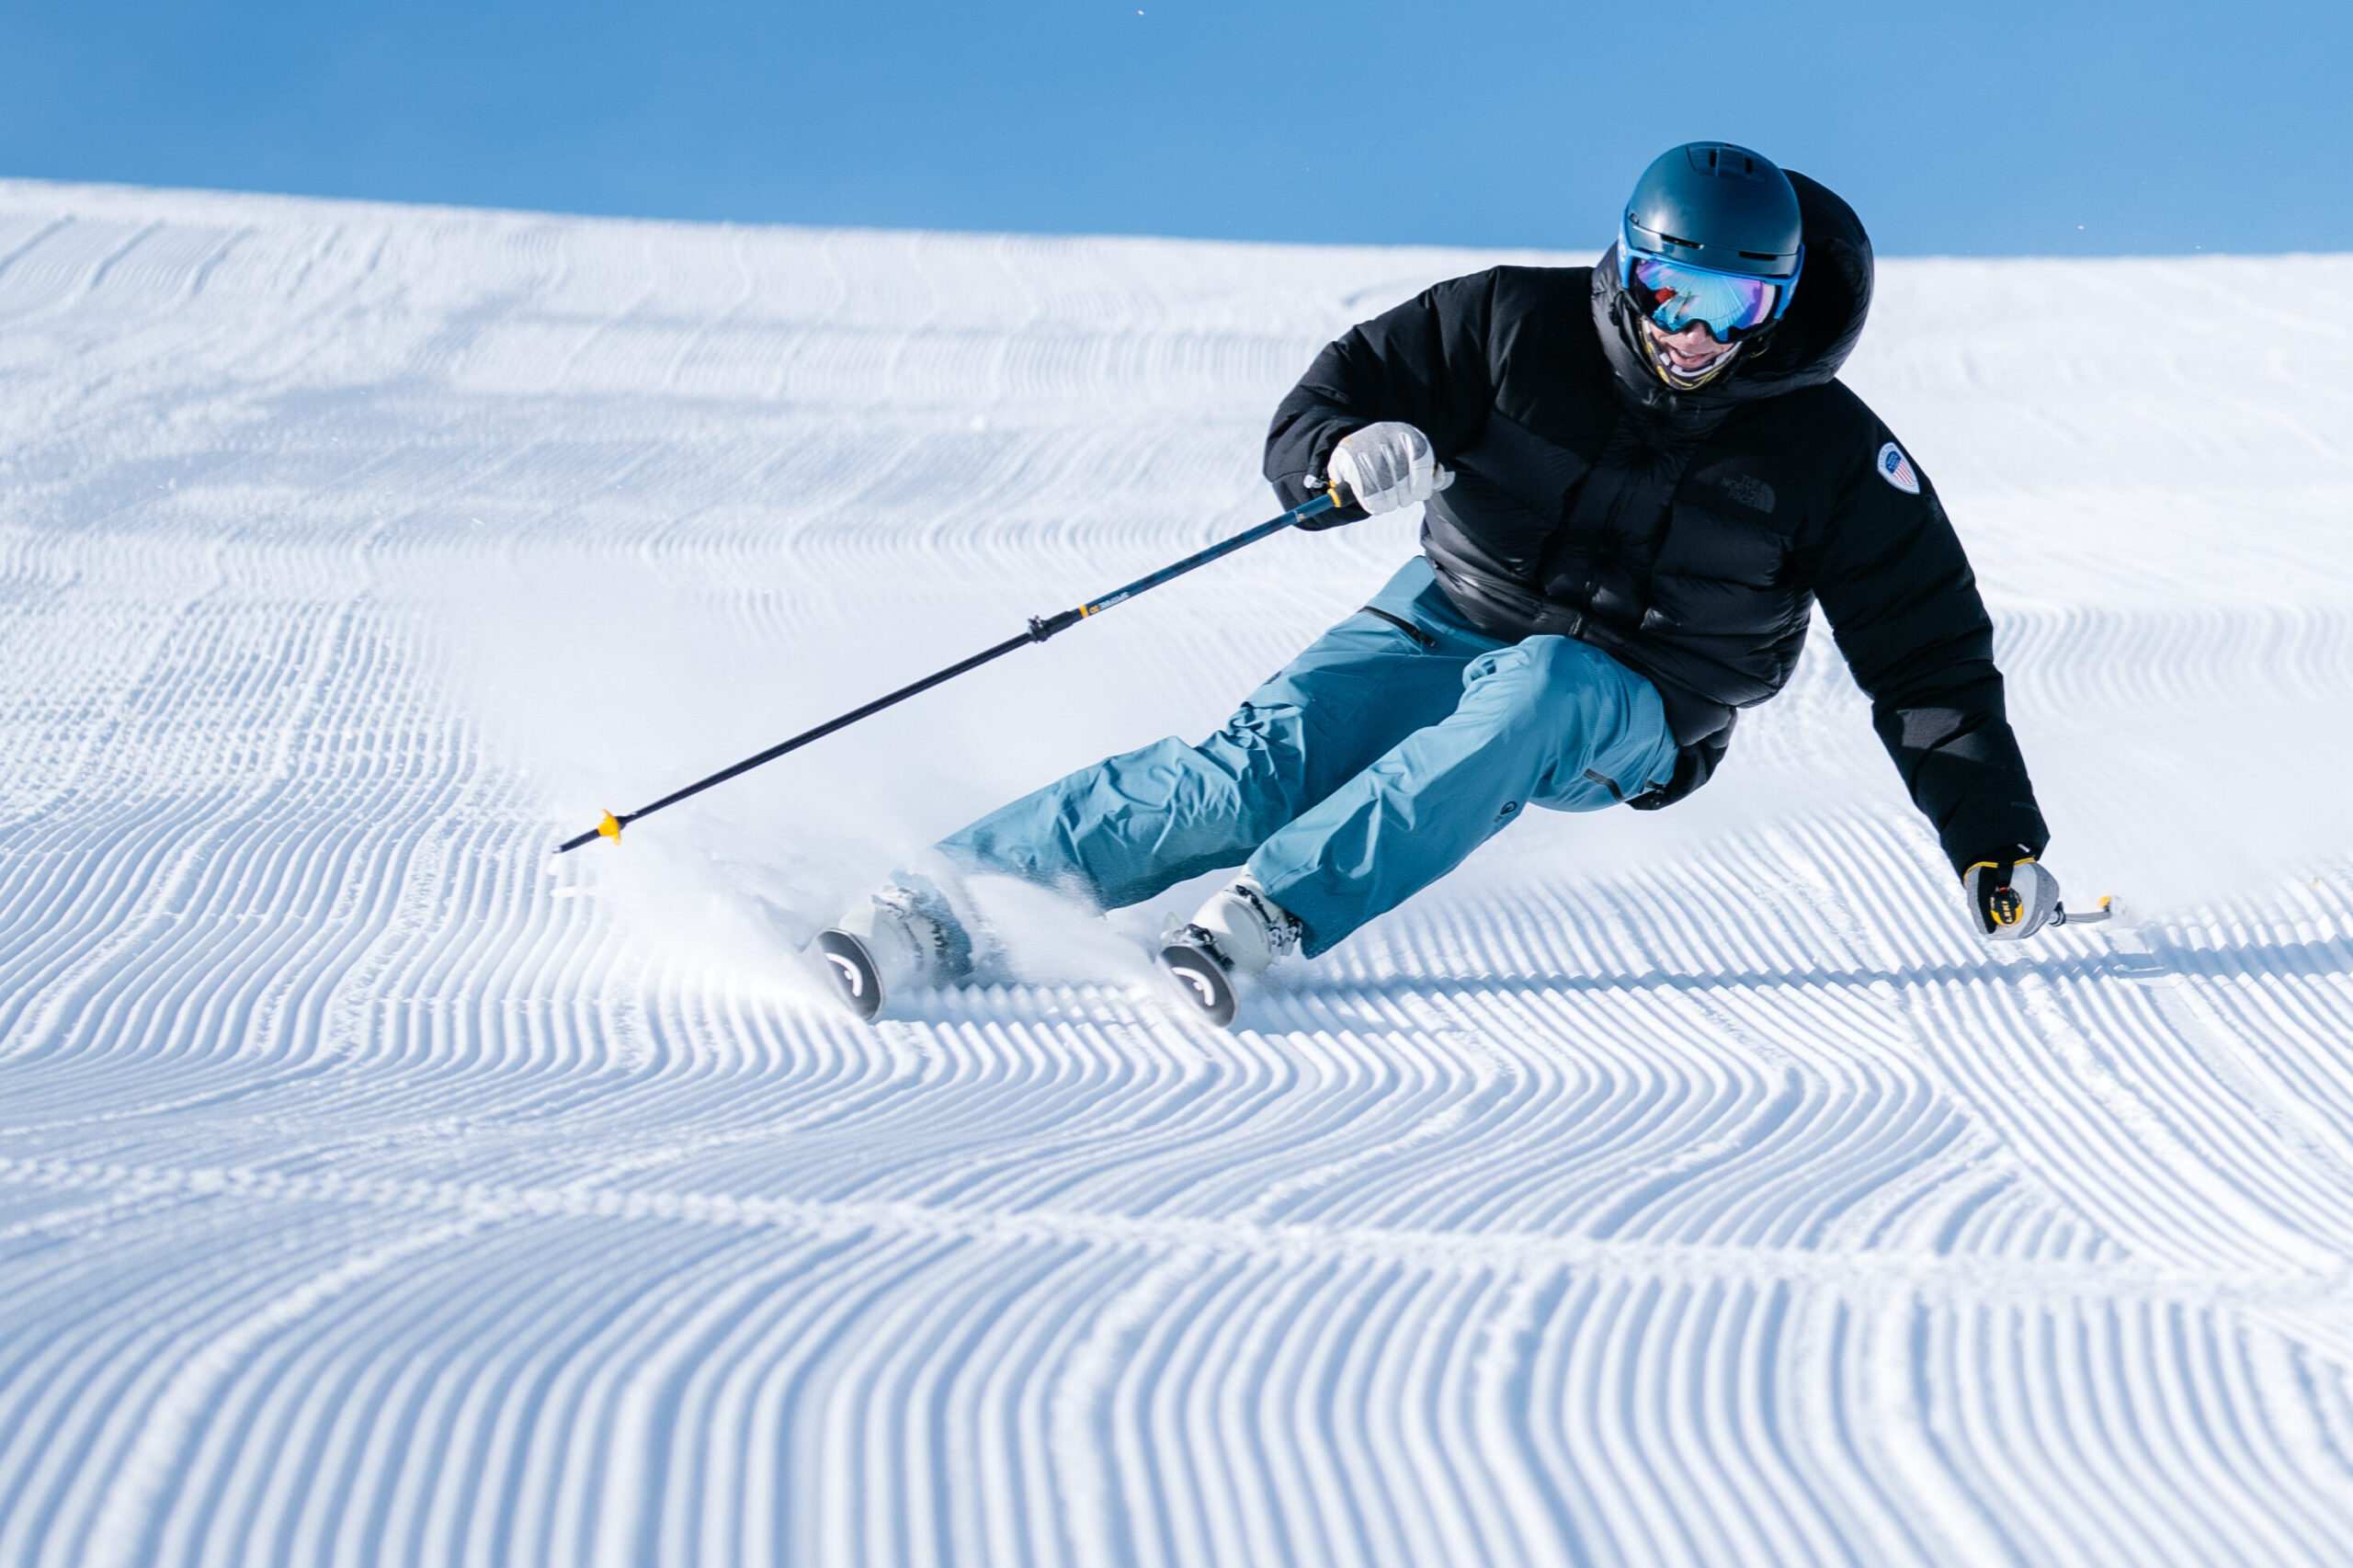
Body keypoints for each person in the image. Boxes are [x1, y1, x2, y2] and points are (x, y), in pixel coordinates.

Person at [817, 141, 2060, 1025]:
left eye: (1736, 302)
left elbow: (1928, 653)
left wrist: (1992, 843)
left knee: (1548, 685)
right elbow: (1332, 395)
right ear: (1628, 266)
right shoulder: (1515, 326)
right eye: (1672, 288)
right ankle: (942, 902)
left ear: (1781, 302)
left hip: (1643, 699)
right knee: (1252, 769)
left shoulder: (1834, 452)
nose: (1695, 330)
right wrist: (1339, 454)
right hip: (1451, 610)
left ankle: (1273, 913)